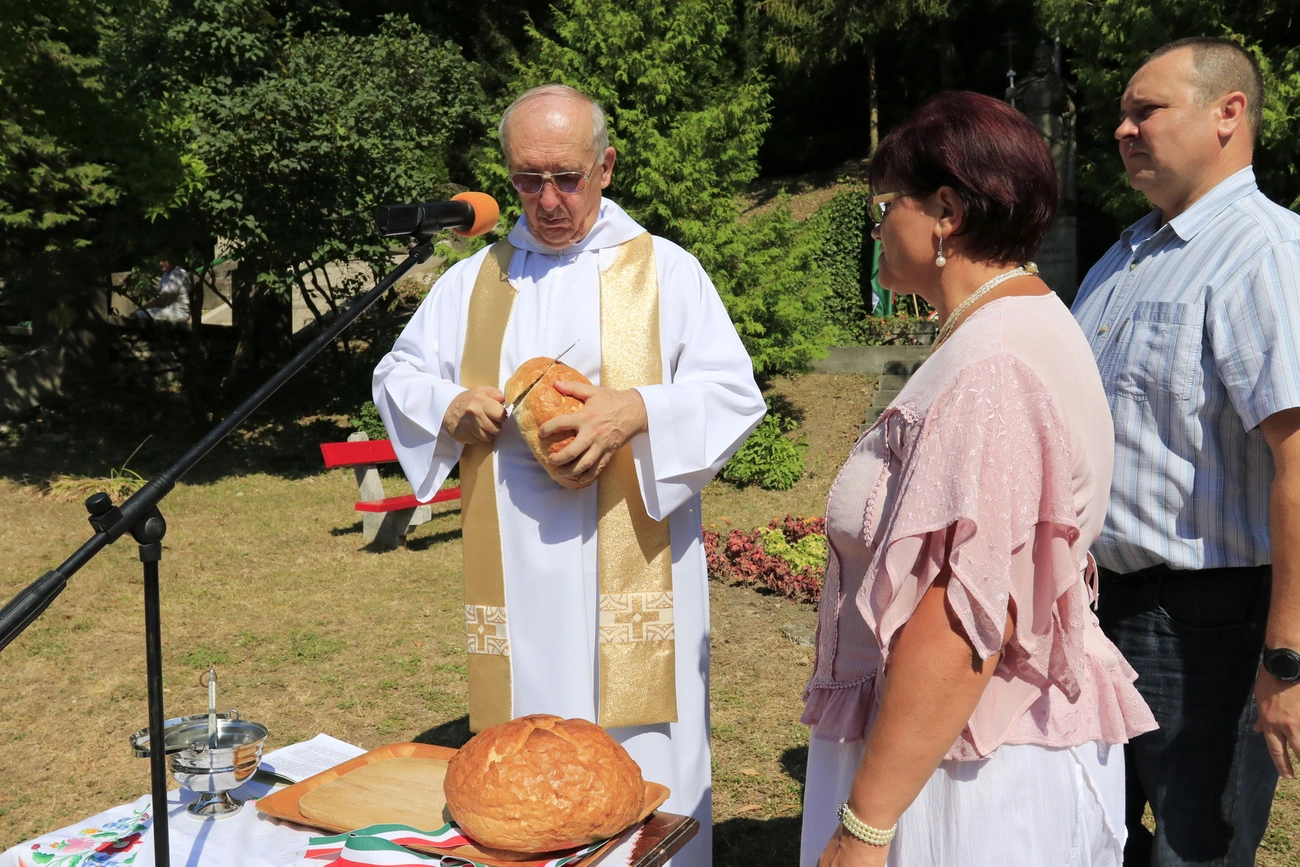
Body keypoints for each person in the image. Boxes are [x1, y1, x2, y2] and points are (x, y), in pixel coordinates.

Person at [372, 84, 765, 865]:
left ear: (606, 166)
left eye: (566, 177)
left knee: (645, 749)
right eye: (526, 179)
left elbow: (732, 392)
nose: (547, 199)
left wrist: (638, 412)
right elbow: (398, 373)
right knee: (526, 760)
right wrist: (449, 404)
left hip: (632, 559)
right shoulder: (476, 281)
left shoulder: (664, 273)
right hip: (515, 562)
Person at [799, 90, 1157, 867]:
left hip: (966, 770)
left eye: (885, 204)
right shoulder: (1013, 326)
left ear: (946, 212)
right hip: (959, 748)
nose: (875, 225)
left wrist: (865, 826)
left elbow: (963, 616)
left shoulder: (991, 364)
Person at [1071, 37, 1300, 866]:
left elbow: (1299, 462)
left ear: (1227, 114)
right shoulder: (1121, 258)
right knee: (1091, 832)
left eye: (1147, 110)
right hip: (1097, 606)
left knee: (1192, 850)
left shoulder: (1264, 256)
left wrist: (1287, 659)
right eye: (1122, 115)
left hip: (1209, 626)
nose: (1124, 130)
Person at [132, 256, 191, 323]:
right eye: (159, 260)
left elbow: (163, 301)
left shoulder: (178, 273)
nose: (160, 263)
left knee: (137, 315)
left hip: (178, 314)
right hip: (166, 311)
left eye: (164, 260)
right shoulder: (165, 275)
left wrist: (139, 310)